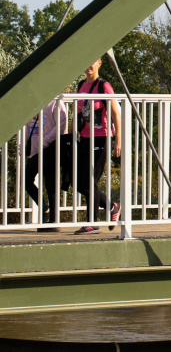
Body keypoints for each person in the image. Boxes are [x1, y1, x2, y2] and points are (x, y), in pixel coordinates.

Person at [72, 57, 122, 234]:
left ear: (99, 62)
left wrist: (118, 140)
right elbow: (79, 112)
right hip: (84, 137)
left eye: (92, 61)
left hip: (101, 137)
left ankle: (92, 222)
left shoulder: (104, 86)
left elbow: (115, 113)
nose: (88, 66)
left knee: (90, 181)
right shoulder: (80, 86)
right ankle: (111, 206)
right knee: (78, 182)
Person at [24, 94, 68, 230]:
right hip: (35, 151)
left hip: (50, 150)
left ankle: (53, 220)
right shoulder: (32, 103)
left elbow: (62, 125)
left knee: (50, 183)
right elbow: (26, 127)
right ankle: (44, 208)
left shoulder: (55, 102)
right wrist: (25, 147)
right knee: (27, 180)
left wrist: (46, 140)